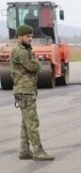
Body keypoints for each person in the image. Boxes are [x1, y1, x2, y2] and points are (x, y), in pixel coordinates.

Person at [11, 24, 54, 161]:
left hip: (25, 90)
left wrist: (35, 62)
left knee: (26, 122)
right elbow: (32, 66)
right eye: (28, 36)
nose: (30, 39)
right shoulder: (21, 51)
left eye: (31, 36)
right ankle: (38, 151)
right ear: (20, 36)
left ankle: (24, 151)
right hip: (25, 91)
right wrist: (38, 63)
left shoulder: (24, 50)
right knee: (33, 122)